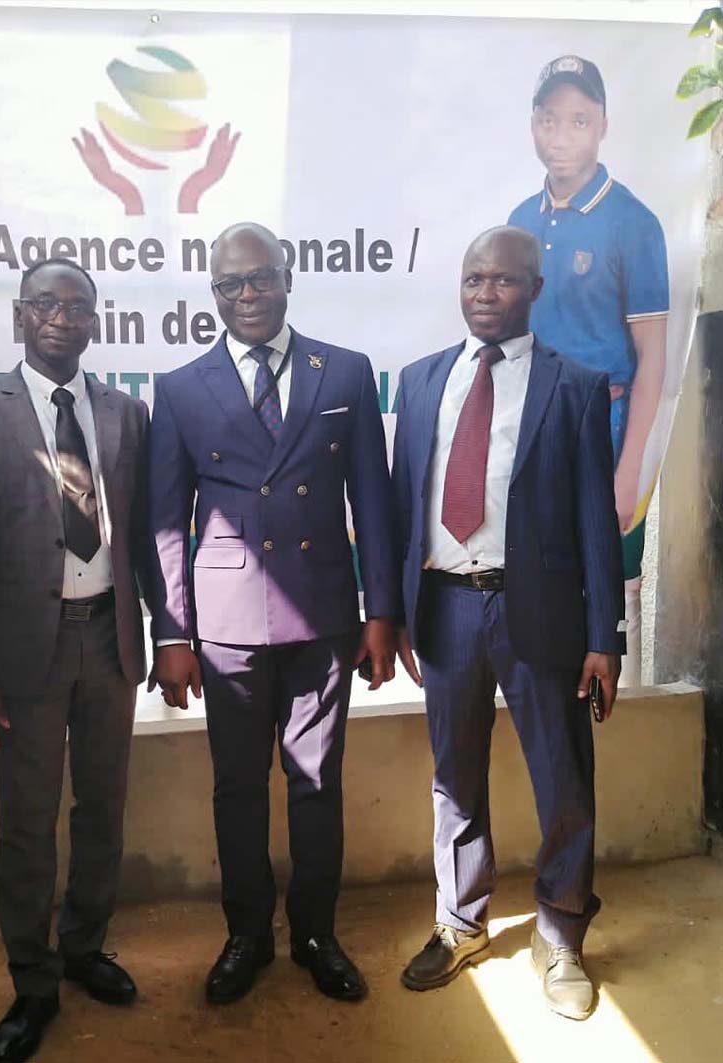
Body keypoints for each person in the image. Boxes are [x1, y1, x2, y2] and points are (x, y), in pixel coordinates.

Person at [148, 222, 401, 1005]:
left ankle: (316, 933)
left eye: (260, 277)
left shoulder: (344, 371)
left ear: (287, 279)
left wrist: (381, 611)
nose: (247, 295)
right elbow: (166, 521)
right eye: (230, 284)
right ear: (212, 294)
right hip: (225, 623)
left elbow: (372, 499)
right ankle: (247, 936)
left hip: (322, 616)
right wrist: (171, 631)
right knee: (237, 786)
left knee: (316, 781)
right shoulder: (180, 388)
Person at [391, 226, 625, 1020]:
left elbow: (596, 517)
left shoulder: (574, 386)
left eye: (502, 280)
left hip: (541, 613)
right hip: (445, 606)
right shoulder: (421, 381)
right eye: (472, 279)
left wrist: (603, 636)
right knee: (453, 777)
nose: (484, 293)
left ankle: (560, 934)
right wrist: (391, 612)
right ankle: (460, 921)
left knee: (561, 778)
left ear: (534, 289)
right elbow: (402, 501)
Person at [0, 258, 150, 1063]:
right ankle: (32, 982)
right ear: (19, 315)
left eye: (77, 306)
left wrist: (168, 633)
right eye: (46, 304)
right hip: (25, 650)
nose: (62, 317)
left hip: (109, 638)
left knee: (102, 807)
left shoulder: (126, 413)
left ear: (95, 319)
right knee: (27, 822)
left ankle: (84, 946)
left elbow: (146, 534)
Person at [509, 55, 668, 683]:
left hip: (603, 425)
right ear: (533, 125)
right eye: (549, 120)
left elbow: (652, 356)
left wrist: (628, 472)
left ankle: (608, 707)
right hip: (532, 426)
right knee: (541, 578)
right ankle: (544, 700)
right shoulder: (521, 222)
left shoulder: (634, 223)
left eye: (579, 121)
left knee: (605, 584)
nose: (561, 136)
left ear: (603, 125)